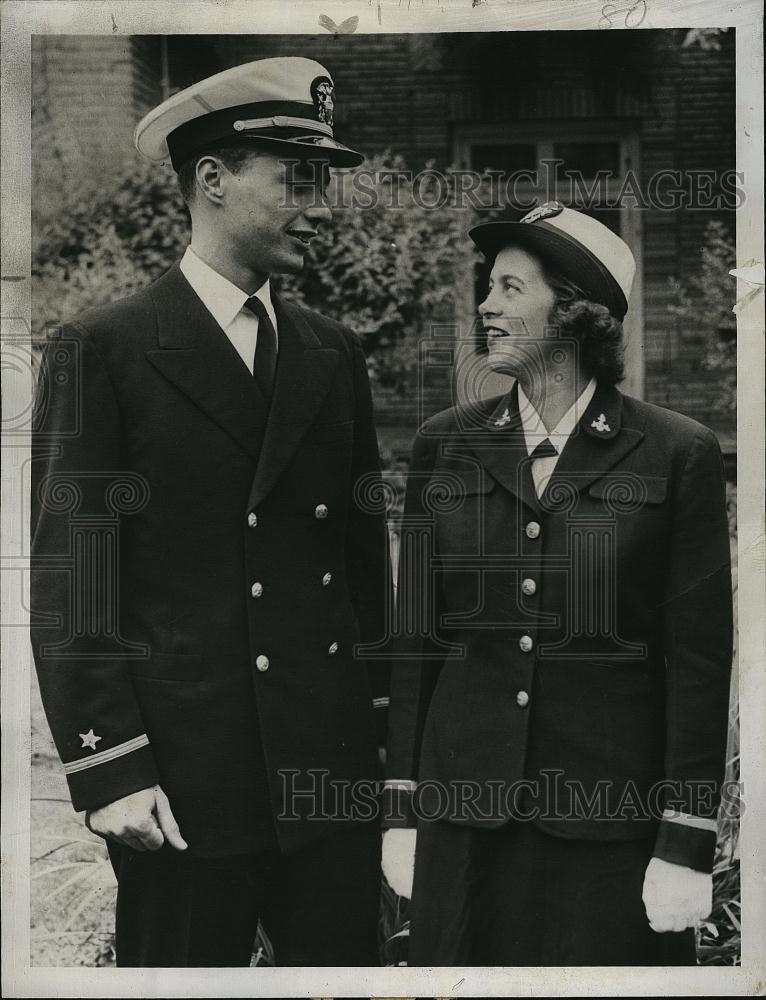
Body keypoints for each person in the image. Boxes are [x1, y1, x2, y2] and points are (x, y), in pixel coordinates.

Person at [31, 57, 390, 968]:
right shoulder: (102, 350)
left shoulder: (330, 352)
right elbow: (75, 576)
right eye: (294, 180)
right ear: (212, 181)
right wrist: (109, 767)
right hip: (184, 790)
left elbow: (361, 568)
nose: (316, 205)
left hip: (328, 778)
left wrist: (388, 746)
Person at [383, 202, 733, 966]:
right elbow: (416, 641)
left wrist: (686, 837)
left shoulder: (675, 454)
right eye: (488, 285)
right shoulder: (445, 445)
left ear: (574, 312)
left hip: (606, 833)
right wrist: (402, 810)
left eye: (510, 287)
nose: (486, 304)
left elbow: (698, 663)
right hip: (464, 826)